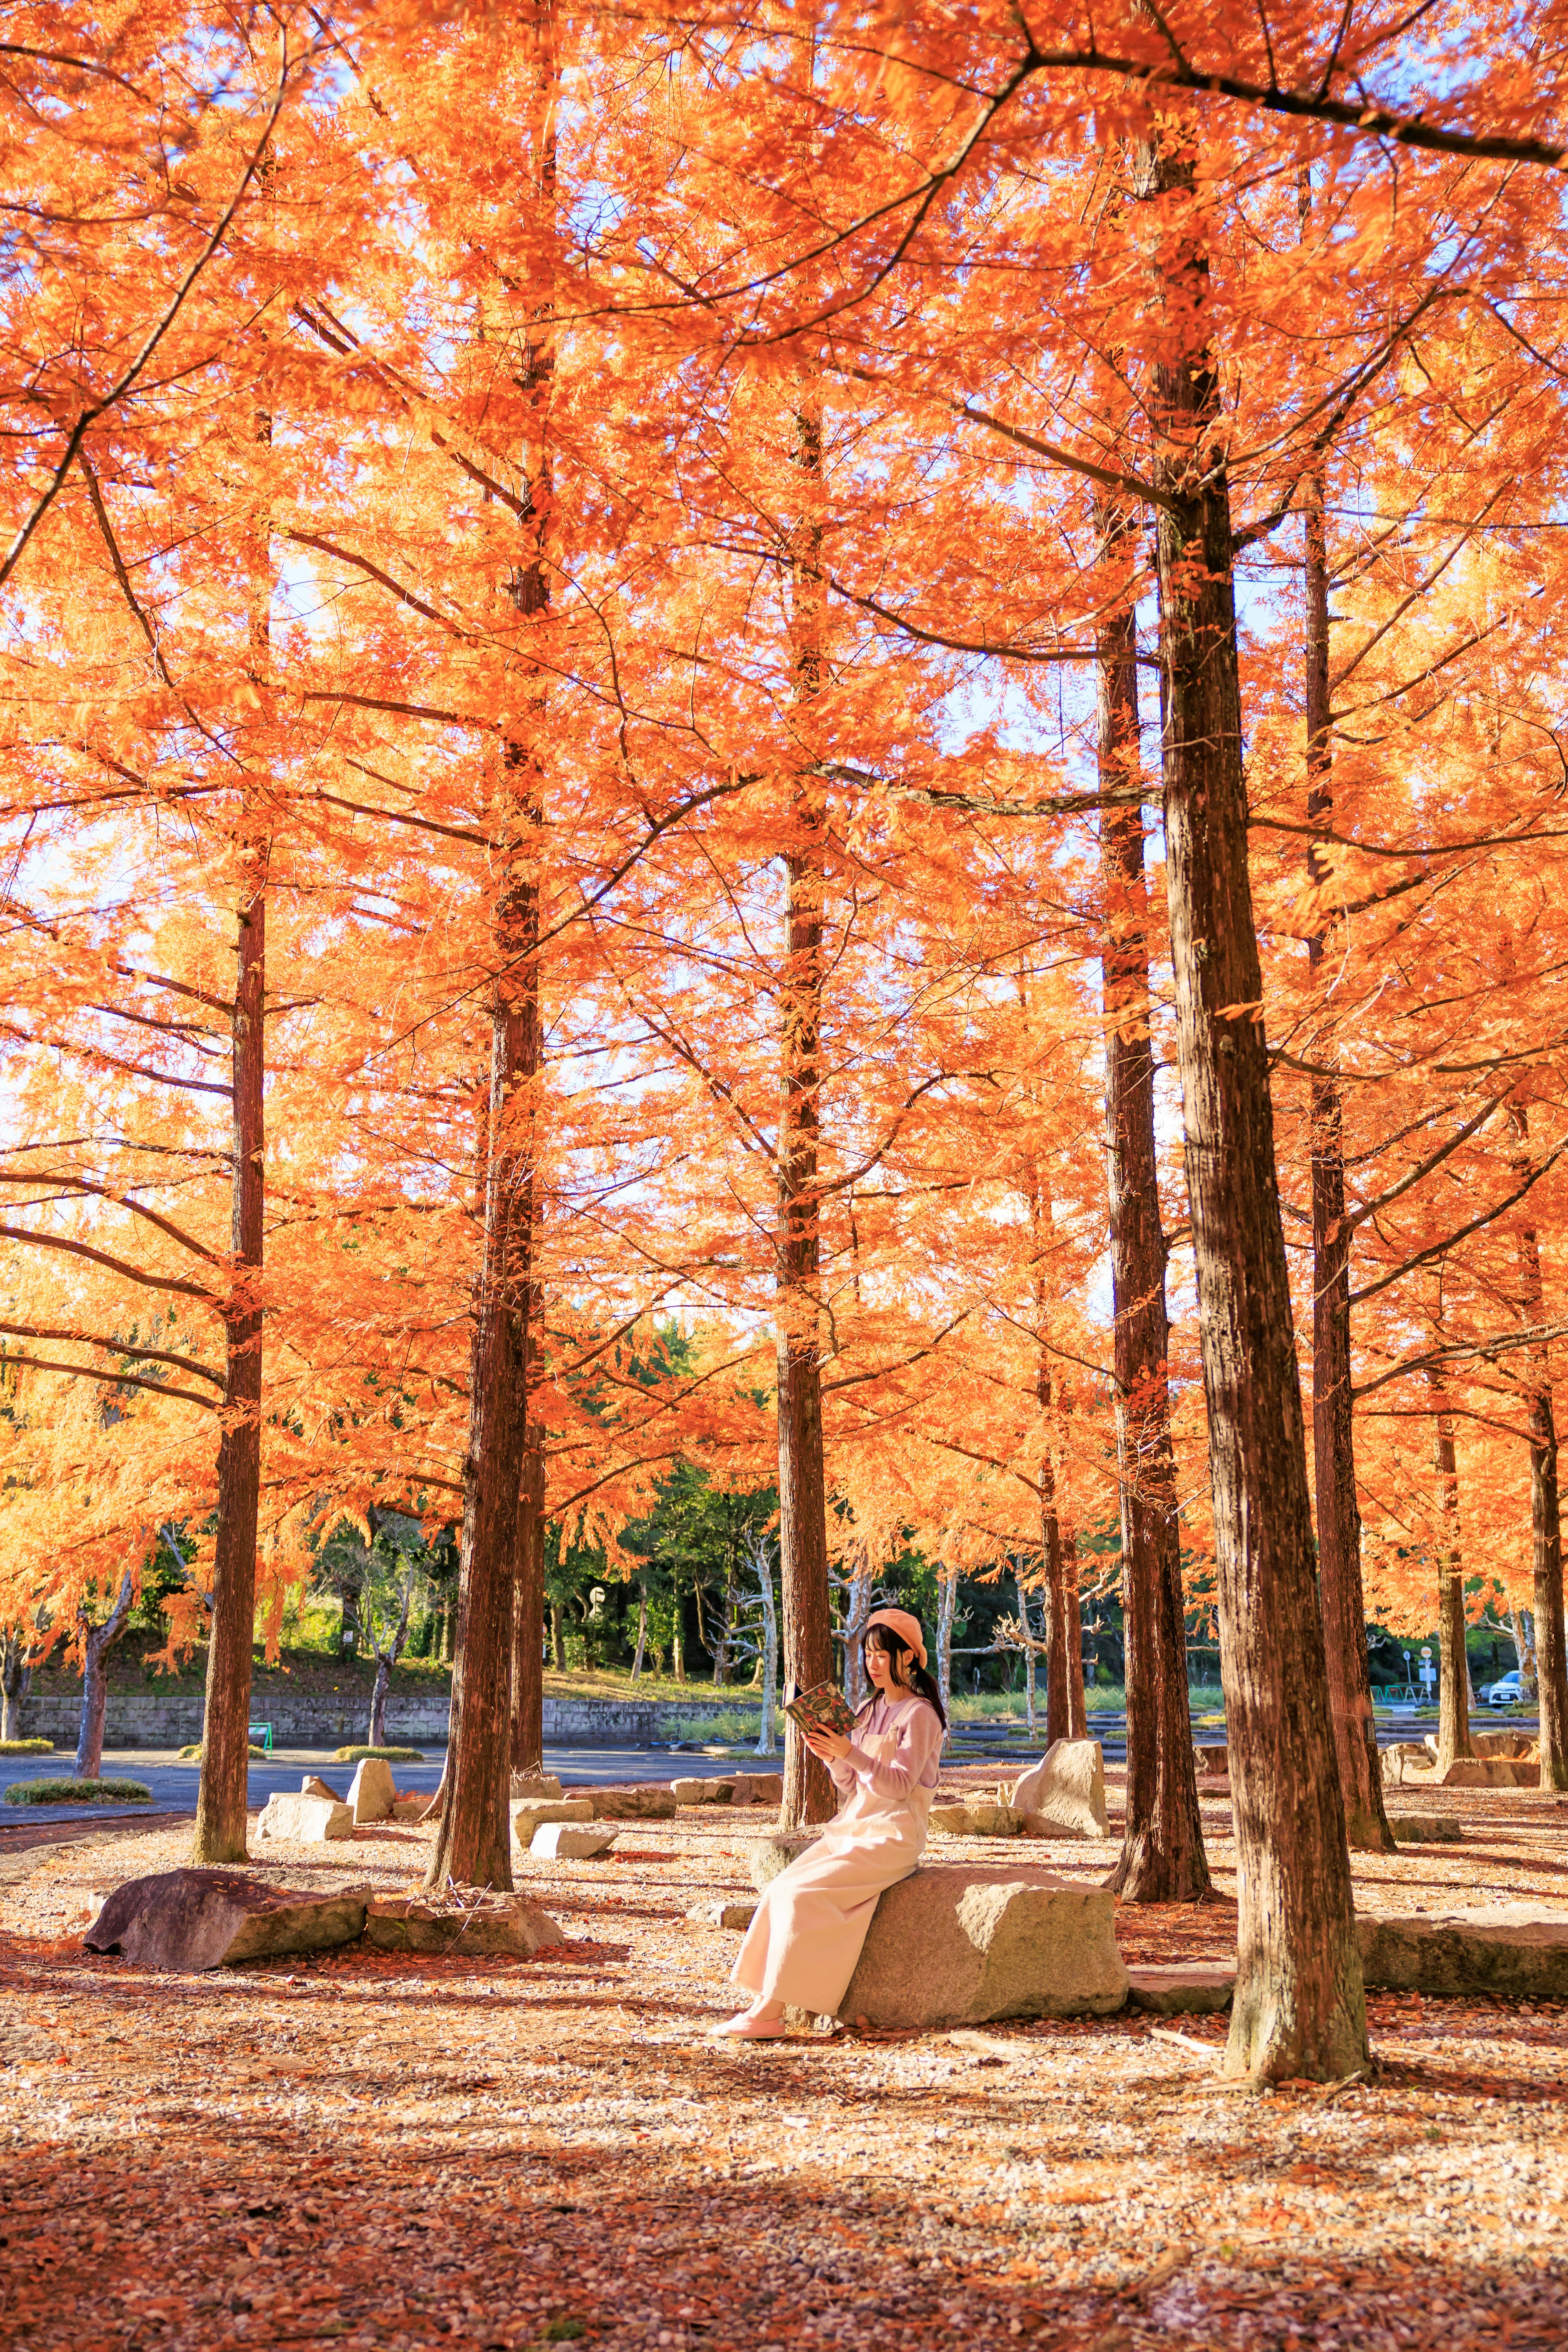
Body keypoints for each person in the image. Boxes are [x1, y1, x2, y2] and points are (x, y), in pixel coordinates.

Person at [713, 1606, 947, 2038]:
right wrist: (831, 1755)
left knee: (803, 1896)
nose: (872, 1664)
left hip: (894, 1835)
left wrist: (850, 1751)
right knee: (782, 1887)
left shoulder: (921, 1716)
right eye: (868, 1655)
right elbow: (851, 1787)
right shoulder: (866, 1710)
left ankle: (770, 2012)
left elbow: (897, 1787)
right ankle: (762, 2004)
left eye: (882, 1655)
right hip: (854, 1825)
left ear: (910, 1658)